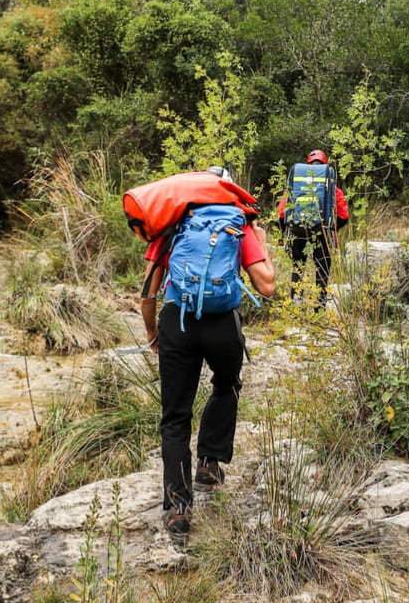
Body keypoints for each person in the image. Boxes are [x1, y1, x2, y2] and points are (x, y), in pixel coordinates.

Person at [140, 170, 275, 538]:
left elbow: (149, 292)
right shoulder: (239, 223)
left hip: (176, 322)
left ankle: (178, 510)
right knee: (227, 382)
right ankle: (209, 463)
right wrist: (261, 243)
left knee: (175, 415)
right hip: (221, 324)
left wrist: (153, 331)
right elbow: (267, 286)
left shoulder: (174, 224)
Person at [277, 149, 351, 304]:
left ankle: (296, 303)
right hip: (322, 235)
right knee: (322, 271)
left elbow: (282, 214)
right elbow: (344, 216)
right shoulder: (333, 190)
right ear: (325, 168)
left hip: (297, 233)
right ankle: (319, 306)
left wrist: (283, 233)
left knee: (298, 268)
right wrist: (331, 229)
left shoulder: (294, 188)